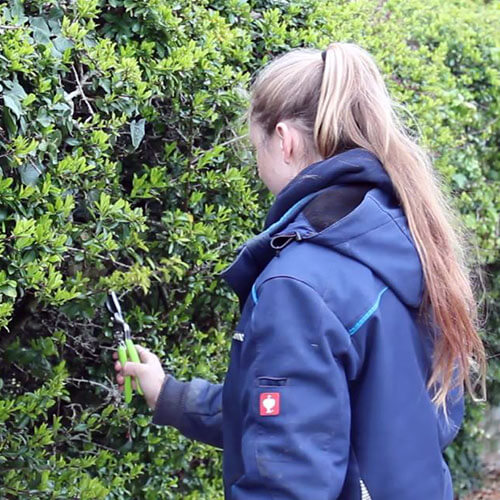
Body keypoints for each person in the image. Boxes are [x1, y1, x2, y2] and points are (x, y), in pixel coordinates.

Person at [113, 42, 487, 499]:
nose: (257, 166)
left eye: (256, 148)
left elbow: (290, 477)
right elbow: (314, 417)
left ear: (285, 140)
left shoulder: (299, 285)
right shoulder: (407, 237)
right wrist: (169, 394)